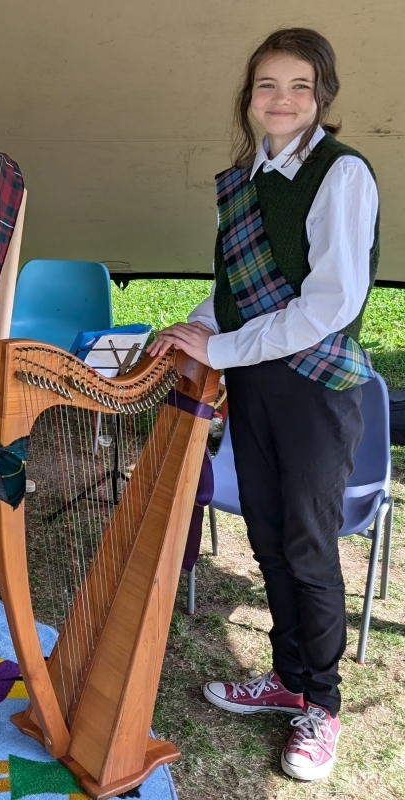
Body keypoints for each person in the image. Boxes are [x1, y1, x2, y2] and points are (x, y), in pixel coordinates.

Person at [150, 28, 378, 782]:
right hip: (254, 379)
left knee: (310, 549)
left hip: (314, 389)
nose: (281, 100)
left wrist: (219, 350)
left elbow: (329, 308)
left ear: (323, 97)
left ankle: (323, 705)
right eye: (266, 86)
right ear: (249, 97)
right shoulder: (247, 175)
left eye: (299, 87)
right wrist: (197, 329)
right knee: (272, 538)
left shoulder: (342, 176)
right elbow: (232, 294)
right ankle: (285, 677)